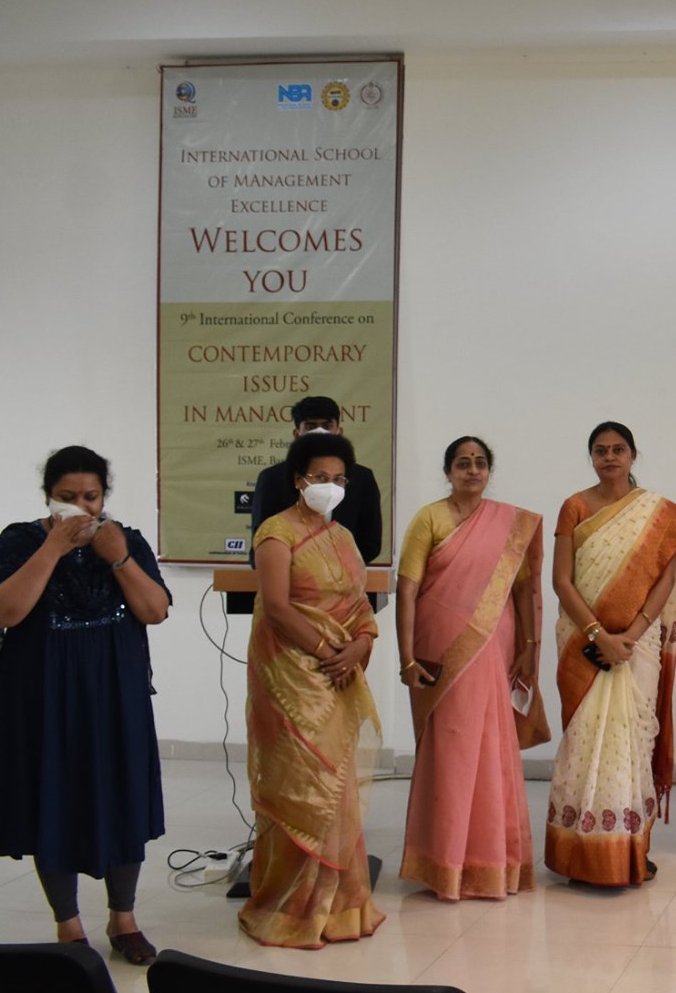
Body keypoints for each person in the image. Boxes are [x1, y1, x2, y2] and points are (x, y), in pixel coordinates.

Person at [0, 446, 170, 962]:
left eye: (90, 497)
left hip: (115, 694)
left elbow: (154, 610)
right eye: (67, 497)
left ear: (104, 497)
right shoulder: (18, 542)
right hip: (43, 697)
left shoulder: (126, 540)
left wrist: (118, 557)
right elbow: (1, 614)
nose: (80, 507)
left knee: (121, 798)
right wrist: (52, 550)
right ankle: (69, 926)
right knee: (51, 801)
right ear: (47, 497)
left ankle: (124, 919)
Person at [239, 433, 385, 948]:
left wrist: (359, 646)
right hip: (292, 677)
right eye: (321, 478)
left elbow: (361, 604)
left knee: (337, 787)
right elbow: (277, 607)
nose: (331, 486)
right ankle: (289, 907)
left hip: (340, 672)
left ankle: (342, 905)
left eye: (339, 479)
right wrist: (328, 652)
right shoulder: (275, 533)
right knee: (299, 785)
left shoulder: (342, 536)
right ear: (298, 480)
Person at [545, 422, 676, 886]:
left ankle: (632, 848)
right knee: (584, 740)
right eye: (600, 450)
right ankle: (580, 853)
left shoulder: (656, 512)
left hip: (638, 644)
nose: (610, 457)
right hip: (582, 641)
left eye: (618, 449)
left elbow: (665, 579)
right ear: (591, 457)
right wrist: (599, 636)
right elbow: (561, 581)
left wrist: (628, 636)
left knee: (634, 741)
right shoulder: (574, 506)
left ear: (633, 455)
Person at [394, 435, 544, 900]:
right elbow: (407, 590)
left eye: (480, 463)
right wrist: (406, 658)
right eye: (463, 463)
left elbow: (522, 591)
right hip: (440, 649)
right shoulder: (429, 518)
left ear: (488, 470)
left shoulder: (508, 523)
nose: (472, 471)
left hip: (493, 645)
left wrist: (529, 647)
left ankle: (491, 863)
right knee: (451, 750)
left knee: (491, 745)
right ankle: (444, 863)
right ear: (448, 472)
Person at [232, 396, 386, 615]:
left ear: (339, 431)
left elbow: (370, 542)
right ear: (297, 434)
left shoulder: (361, 478)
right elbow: (261, 541)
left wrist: (334, 571)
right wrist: (302, 572)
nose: (319, 432)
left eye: (326, 425)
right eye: (311, 426)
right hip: (289, 594)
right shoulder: (272, 478)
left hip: (344, 594)